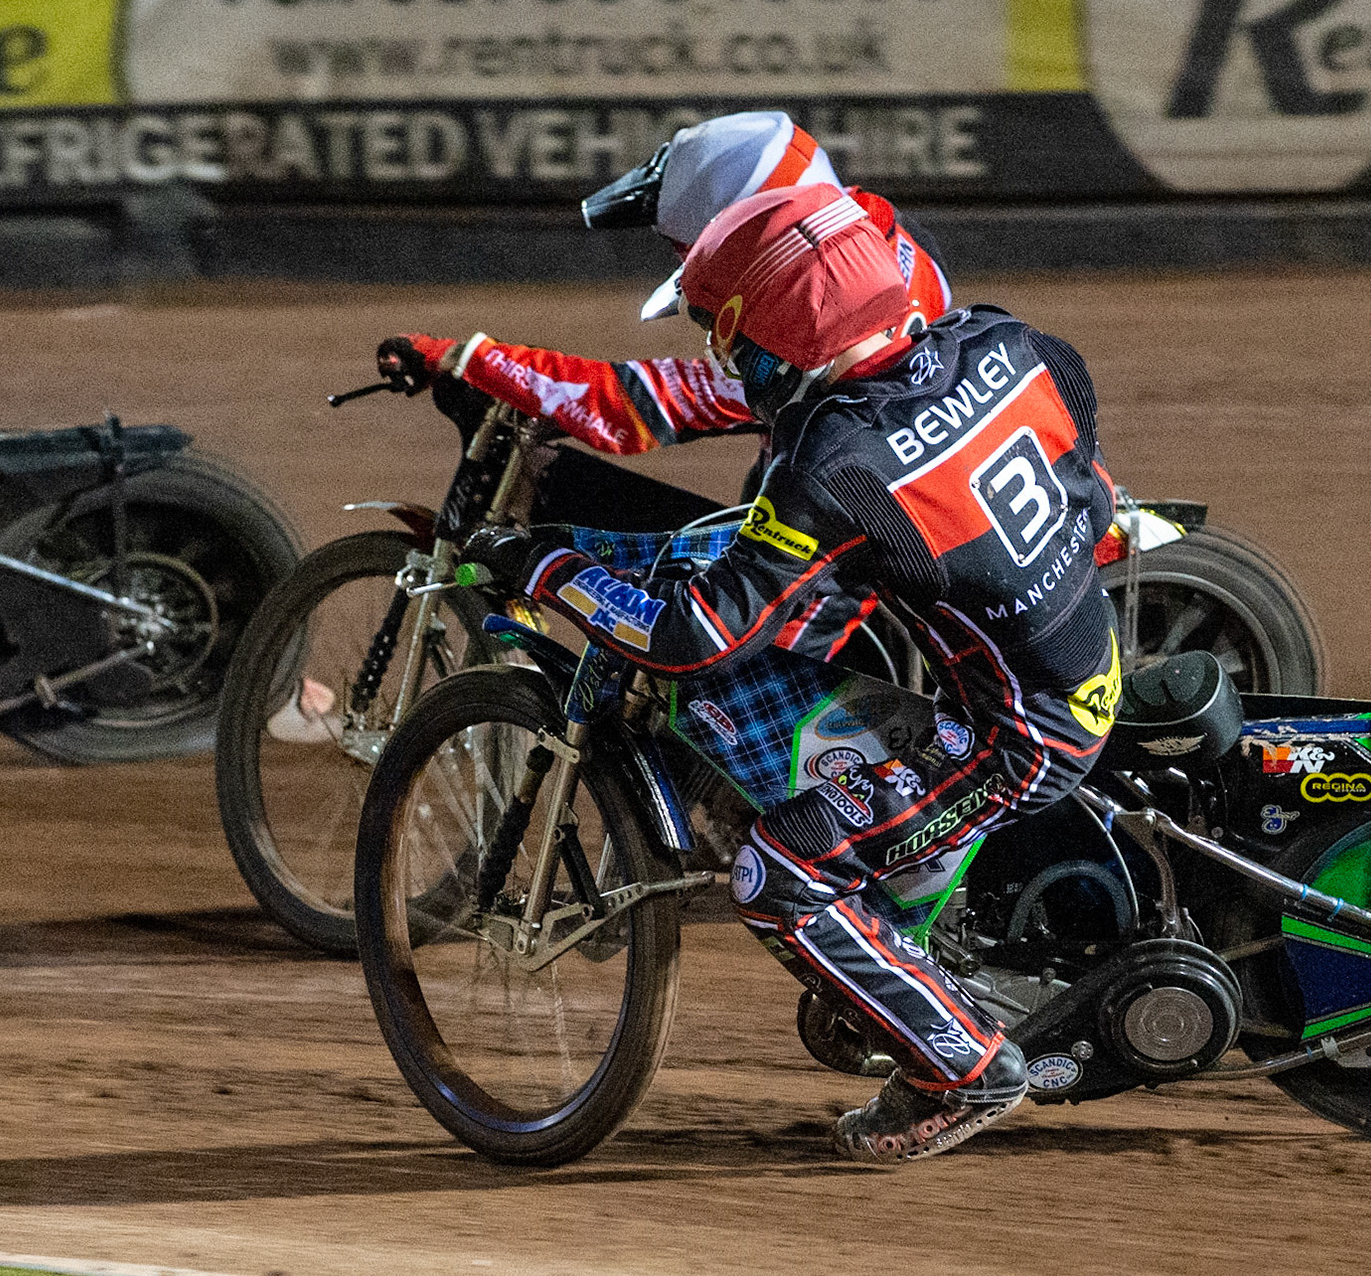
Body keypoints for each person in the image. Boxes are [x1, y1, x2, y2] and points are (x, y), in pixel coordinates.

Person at [457, 183, 1123, 1163]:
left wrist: (553, 570)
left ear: (783, 334)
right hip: (1086, 633)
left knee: (779, 872)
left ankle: (966, 1065)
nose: (729, 364)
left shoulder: (835, 457)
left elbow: (693, 638)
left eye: (730, 340)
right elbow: (1089, 485)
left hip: (1020, 736)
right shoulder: (1008, 340)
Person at [376, 110, 948, 664]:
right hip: (893, 509)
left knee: (674, 676)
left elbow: (625, 407)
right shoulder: (881, 242)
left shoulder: (807, 331)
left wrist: (460, 356)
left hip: (823, 552)